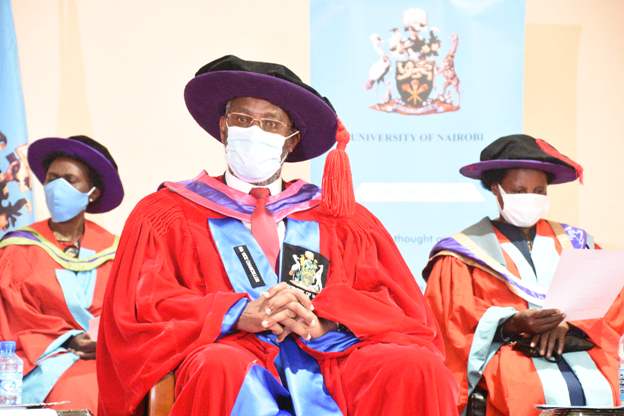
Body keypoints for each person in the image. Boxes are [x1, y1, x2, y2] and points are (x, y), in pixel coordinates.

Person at [97, 55, 458, 416]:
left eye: (271, 124)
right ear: (223, 128)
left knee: (416, 367)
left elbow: (398, 308)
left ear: (291, 141)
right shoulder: (168, 213)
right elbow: (142, 309)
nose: (254, 132)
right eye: (242, 120)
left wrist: (324, 318)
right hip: (234, 351)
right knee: (219, 366)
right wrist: (234, 313)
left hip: (330, 353)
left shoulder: (340, 218)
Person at [423, 134, 620, 415]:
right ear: (496, 190)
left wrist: (569, 325)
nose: (530, 198)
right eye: (519, 190)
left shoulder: (576, 242)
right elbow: (451, 320)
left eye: (539, 191)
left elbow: (612, 301)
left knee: (600, 384)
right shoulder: (463, 253)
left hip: (579, 350)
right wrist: (511, 323)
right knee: (524, 385)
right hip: (511, 354)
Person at [0, 135, 124, 413]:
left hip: (107, 357)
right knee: (80, 388)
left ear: (92, 192)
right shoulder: (17, 248)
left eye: (70, 180)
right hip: (38, 360)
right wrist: (67, 340)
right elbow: (12, 318)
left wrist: (106, 341)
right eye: (52, 178)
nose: (58, 187)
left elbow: (129, 313)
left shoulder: (115, 251)